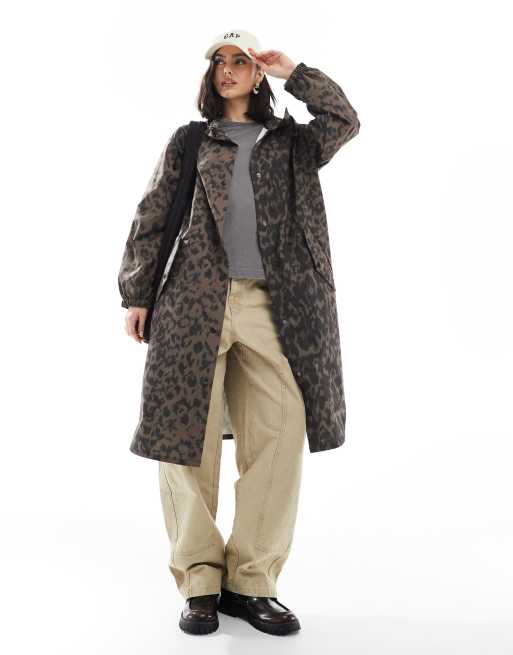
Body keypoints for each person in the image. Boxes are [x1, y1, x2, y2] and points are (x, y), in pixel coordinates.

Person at [118, 29, 360, 637]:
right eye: (219, 62)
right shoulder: (191, 140)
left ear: (257, 73)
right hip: (193, 301)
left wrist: (293, 70)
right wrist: (137, 293)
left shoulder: (294, 143)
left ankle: (252, 582)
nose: (228, 70)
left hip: (276, 305)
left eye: (240, 61)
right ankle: (200, 582)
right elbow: (152, 214)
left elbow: (345, 119)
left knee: (280, 434)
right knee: (184, 441)